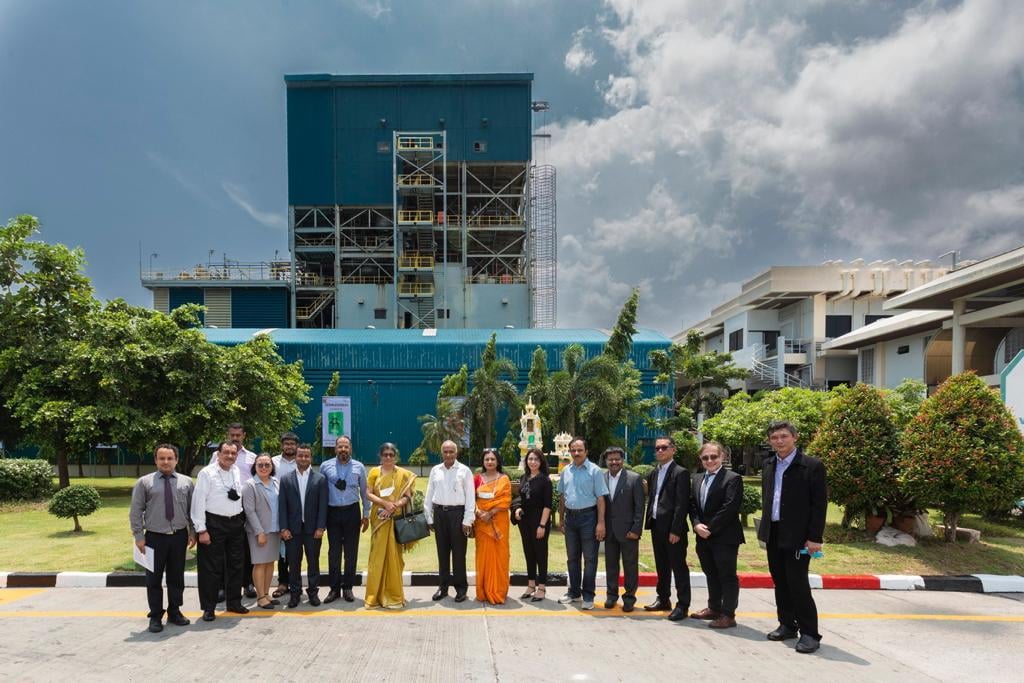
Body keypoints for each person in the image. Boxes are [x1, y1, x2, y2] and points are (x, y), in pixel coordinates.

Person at [758, 420, 827, 654]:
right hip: (774, 532)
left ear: (795, 437)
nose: (779, 441)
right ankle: (787, 624)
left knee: (797, 583)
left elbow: (819, 506)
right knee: (780, 582)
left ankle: (810, 633)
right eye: (775, 437)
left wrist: (815, 538)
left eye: (784, 436)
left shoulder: (811, 466)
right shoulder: (768, 464)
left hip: (799, 536)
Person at [129, 443, 196, 633]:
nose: (166, 462)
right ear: (156, 460)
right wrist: (139, 536)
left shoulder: (186, 482)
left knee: (176, 577)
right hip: (153, 538)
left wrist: (192, 532)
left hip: (179, 537)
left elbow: (192, 510)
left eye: (170, 458)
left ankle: (175, 611)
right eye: (162, 458)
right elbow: (136, 511)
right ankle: (156, 615)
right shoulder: (144, 482)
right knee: (153, 578)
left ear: (176, 460)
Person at [190, 441, 249, 622]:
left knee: (236, 564)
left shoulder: (236, 471)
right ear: (218, 453)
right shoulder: (207, 473)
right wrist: (201, 530)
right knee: (211, 568)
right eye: (226, 453)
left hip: (235, 523)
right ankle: (209, 607)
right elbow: (198, 502)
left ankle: (234, 602)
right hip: (214, 524)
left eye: (233, 453)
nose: (230, 456)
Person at [689, 441, 745, 629]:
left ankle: (728, 614)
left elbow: (729, 508)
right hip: (702, 536)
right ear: (701, 459)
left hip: (725, 537)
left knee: (727, 575)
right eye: (705, 457)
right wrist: (696, 525)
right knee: (711, 573)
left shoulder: (732, 478)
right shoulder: (697, 479)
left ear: (722, 457)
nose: (710, 460)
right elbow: (693, 505)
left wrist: (709, 529)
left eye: (714, 456)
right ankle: (714, 607)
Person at [364, 442, 418, 609]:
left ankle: (394, 596)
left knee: (395, 556)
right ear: (380, 456)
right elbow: (368, 493)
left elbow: (407, 496)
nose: (388, 457)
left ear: (396, 457)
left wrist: (394, 505)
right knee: (377, 557)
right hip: (379, 518)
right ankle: (374, 597)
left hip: (395, 518)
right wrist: (384, 504)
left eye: (391, 455)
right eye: (385, 454)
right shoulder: (374, 472)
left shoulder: (403, 474)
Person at [208, 423, 259, 599]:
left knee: (246, 548)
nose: (235, 438)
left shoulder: (252, 457)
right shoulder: (216, 456)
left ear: (244, 435)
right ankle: (222, 586)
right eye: (232, 435)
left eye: (238, 435)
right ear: (228, 435)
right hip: (222, 510)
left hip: (246, 508)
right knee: (223, 549)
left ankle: (248, 583)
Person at [557, 438, 608, 610]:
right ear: (570, 452)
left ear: (586, 451)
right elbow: (562, 497)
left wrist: (601, 523)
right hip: (570, 519)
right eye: (573, 450)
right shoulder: (566, 471)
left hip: (589, 518)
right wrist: (561, 518)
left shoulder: (595, 471)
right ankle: (574, 592)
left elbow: (601, 498)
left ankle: (588, 595)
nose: (576, 453)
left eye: (579, 450)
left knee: (590, 558)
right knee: (572, 558)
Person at [644, 436, 691, 621]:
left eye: (664, 447)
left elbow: (682, 504)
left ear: (673, 449)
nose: (660, 451)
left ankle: (683, 605)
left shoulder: (680, 472)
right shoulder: (654, 472)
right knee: (661, 566)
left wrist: (676, 530)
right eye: (657, 448)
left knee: (678, 567)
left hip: (673, 530)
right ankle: (663, 599)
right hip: (657, 526)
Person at [319, 435, 371, 604]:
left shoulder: (359, 467)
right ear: (335, 449)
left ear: (350, 449)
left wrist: (366, 515)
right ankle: (334, 589)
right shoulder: (325, 466)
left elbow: (364, 492)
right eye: (340, 447)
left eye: (346, 447)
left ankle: (348, 588)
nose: (343, 450)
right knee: (334, 552)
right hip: (332, 512)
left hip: (352, 512)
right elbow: (321, 493)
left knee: (351, 552)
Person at [423, 439, 475, 603]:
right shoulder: (435, 470)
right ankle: (443, 587)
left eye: (451, 451)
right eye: (445, 451)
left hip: (457, 514)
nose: (448, 454)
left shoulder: (464, 471)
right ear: (441, 453)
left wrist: (468, 519)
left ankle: (461, 589)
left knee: (459, 554)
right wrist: (429, 516)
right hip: (440, 514)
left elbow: (470, 497)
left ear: (456, 452)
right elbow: (429, 493)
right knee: (442, 553)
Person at [278, 443, 328, 608]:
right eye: (300, 455)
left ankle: (313, 593)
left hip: (313, 530)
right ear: (296, 458)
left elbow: (323, 506)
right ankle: (295, 593)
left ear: (311, 458)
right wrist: (283, 528)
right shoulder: (286, 479)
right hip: (292, 530)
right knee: (294, 563)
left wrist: (321, 527)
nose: (303, 458)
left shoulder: (319, 479)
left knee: (313, 562)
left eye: (306, 456)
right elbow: (282, 506)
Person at [602, 446, 644, 613]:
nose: (614, 462)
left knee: (630, 566)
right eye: (610, 459)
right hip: (609, 530)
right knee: (611, 565)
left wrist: (636, 529)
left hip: (628, 531)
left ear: (622, 460)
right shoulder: (602, 478)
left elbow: (640, 507)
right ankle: (611, 596)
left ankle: (629, 598)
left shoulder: (634, 479)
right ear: (606, 461)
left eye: (617, 459)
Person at [242, 453, 282, 609]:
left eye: (267, 464)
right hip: (259, 531)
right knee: (259, 563)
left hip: (274, 530)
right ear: (255, 467)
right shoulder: (250, 485)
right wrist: (259, 532)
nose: (264, 467)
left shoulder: (276, 482)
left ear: (272, 467)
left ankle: (266, 594)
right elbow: (249, 511)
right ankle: (260, 597)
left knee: (270, 562)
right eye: (260, 465)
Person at [512, 448, 551, 602]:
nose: (532, 462)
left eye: (536, 459)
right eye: (530, 459)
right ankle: (530, 584)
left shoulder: (545, 480)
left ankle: (541, 587)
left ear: (541, 462)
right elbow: (521, 498)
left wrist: (542, 525)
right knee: (529, 552)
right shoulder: (524, 477)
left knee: (540, 553)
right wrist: (518, 508)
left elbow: (548, 506)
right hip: (525, 521)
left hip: (539, 520)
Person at [474, 448, 511, 604]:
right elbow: (471, 498)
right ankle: (483, 591)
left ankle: (497, 591)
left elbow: (506, 500)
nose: (489, 462)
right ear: (483, 462)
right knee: (483, 556)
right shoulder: (477, 479)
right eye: (487, 459)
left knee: (500, 556)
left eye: (492, 459)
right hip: (481, 524)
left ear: (497, 461)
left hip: (498, 523)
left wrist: (491, 512)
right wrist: (478, 512)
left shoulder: (504, 479)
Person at [271, 431, 299, 600]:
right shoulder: (273, 462)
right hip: (278, 510)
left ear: (296, 445)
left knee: (296, 549)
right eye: (286, 443)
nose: (289, 446)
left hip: (298, 512)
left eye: (292, 444)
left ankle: (295, 582)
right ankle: (283, 582)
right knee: (281, 549)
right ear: (281, 445)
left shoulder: (301, 461)